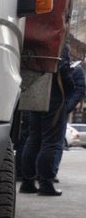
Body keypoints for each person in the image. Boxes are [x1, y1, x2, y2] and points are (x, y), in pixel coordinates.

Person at [19, 46, 75, 196]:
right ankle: (45, 183)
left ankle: (27, 182)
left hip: (35, 90)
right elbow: (64, 70)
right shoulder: (58, 40)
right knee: (51, 141)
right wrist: (70, 87)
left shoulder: (32, 39)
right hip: (55, 94)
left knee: (33, 138)